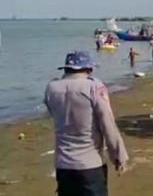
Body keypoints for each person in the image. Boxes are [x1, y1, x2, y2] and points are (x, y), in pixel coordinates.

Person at [45, 51, 128, 196]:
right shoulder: (94, 87)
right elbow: (107, 123)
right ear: (88, 69)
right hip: (90, 163)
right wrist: (118, 155)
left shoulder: (51, 88)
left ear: (65, 69)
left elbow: (53, 113)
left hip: (63, 164)